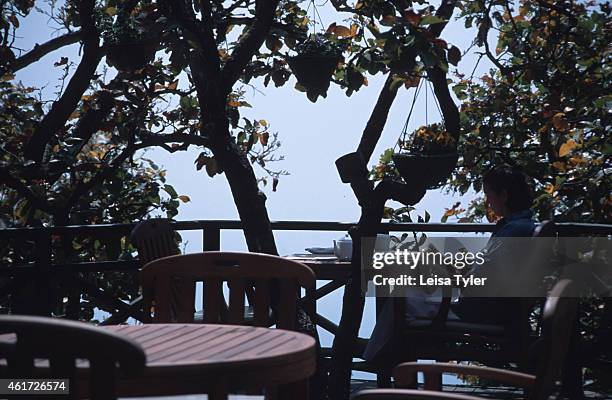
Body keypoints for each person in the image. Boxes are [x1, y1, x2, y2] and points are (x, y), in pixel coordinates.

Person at [363, 164, 536, 362]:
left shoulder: (512, 232)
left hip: (480, 312)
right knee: (412, 288)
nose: (487, 201)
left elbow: (480, 281)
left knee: (399, 299)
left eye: (489, 194)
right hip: (500, 309)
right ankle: (387, 359)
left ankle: (379, 361)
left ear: (504, 195)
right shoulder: (527, 227)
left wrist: (447, 272)